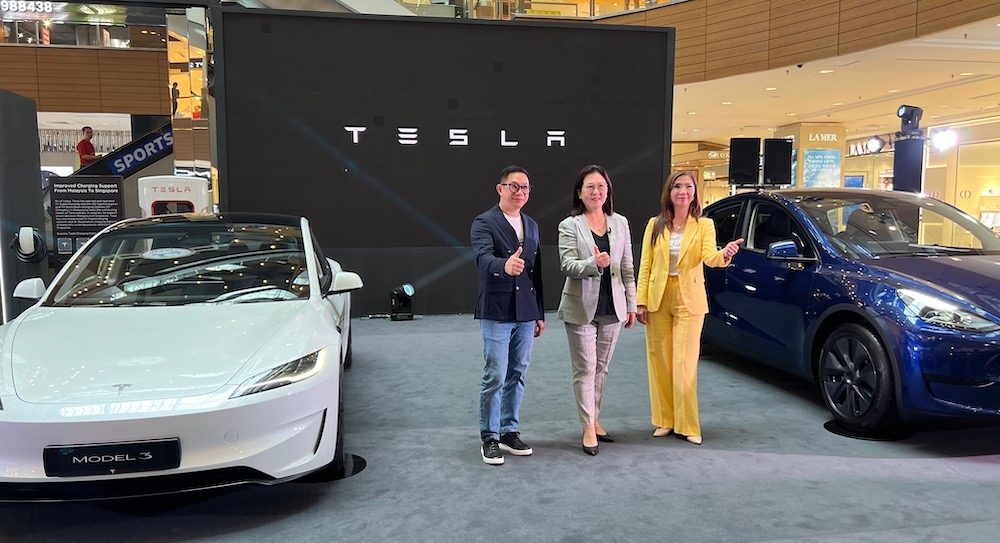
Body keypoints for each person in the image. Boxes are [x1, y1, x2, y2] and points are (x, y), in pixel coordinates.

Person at [635, 171, 742, 445]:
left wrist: (725, 255)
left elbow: (710, 257)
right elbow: (645, 264)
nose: (683, 191)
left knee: (685, 364)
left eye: (688, 187)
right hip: (658, 297)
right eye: (677, 186)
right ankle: (665, 420)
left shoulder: (703, 225)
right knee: (659, 362)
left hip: (689, 300)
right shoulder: (654, 224)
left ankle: (688, 424)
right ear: (669, 192)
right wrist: (641, 301)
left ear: (695, 192)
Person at [556, 165, 636, 456]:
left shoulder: (621, 223)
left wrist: (631, 305)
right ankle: (588, 426)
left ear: (608, 191)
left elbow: (627, 267)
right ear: (580, 192)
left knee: (601, 368)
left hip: (612, 307)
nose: (596, 192)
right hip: (581, 307)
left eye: (601, 186)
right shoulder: (570, 225)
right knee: (585, 369)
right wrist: (593, 264)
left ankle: (595, 417)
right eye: (589, 187)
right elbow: (566, 265)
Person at [471, 165, 545, 466]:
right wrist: (504, 265)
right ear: (500, 188)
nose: (521, 192)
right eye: (514, 186)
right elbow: (482, 257)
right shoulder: (484, 222)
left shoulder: (532, 225)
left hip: (526, 312)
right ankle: (489, 437)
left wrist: (539, 312)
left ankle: (509, 431)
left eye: (525, 187)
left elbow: (536, 271)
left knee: (519, 373)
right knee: (495, 374)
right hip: (497, 310)